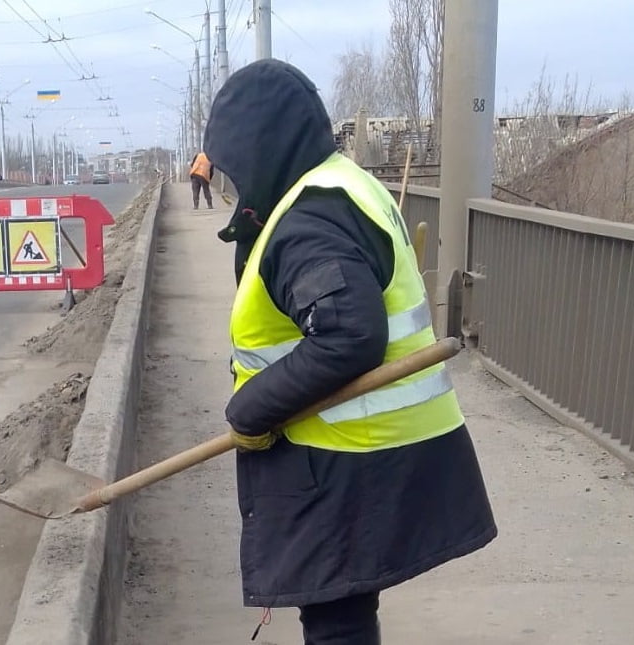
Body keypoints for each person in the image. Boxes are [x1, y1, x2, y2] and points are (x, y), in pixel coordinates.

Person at [205, 59, 497, 644]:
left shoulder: (308, 222)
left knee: (335, 616)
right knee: (345, 609)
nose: (224, 182)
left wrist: (250, 410)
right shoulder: (341, 183)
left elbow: (350, 335)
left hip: (345, 455)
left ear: (261, 148)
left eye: (229, 166)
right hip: (381, 448)